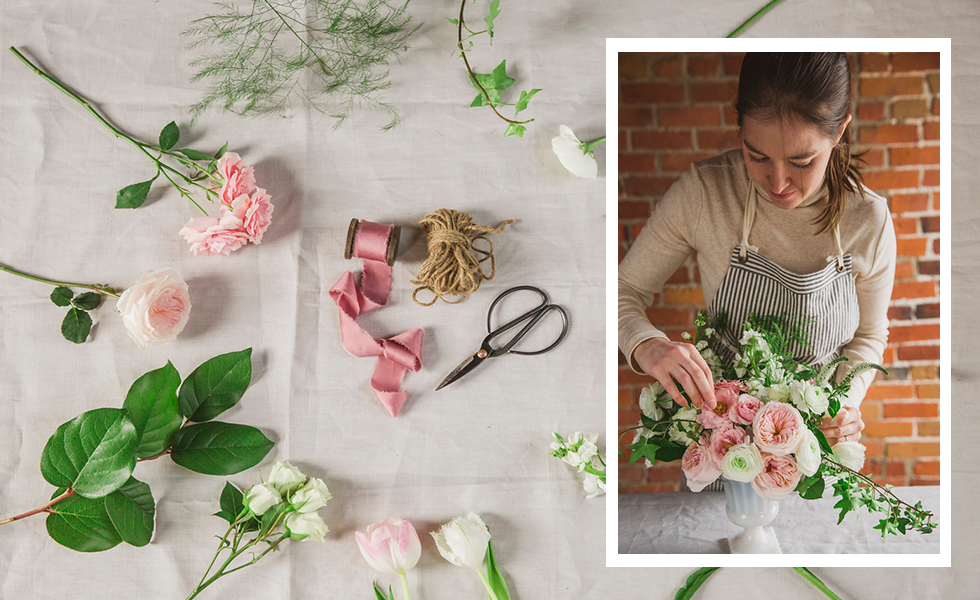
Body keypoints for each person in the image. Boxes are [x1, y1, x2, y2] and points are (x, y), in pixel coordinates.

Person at [618, 52, 896, 446]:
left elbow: (869, 335)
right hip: (721, 445)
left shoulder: (868, 219)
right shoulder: (705, 193)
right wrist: (646, 343)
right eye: (757, 155)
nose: (778, 182)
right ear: (739, 130)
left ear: (838, 133)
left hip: (816, 447)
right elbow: (621, 290)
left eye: (802, 161)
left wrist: (841, 406)